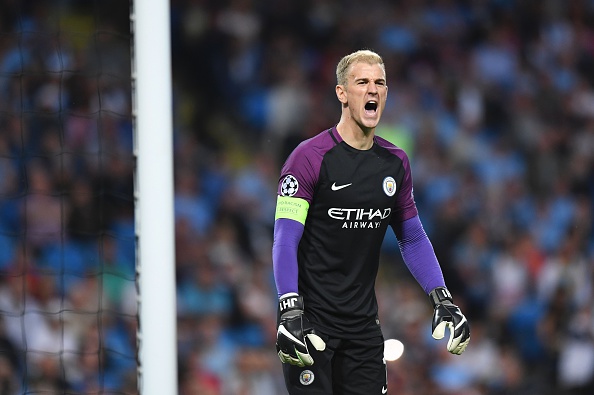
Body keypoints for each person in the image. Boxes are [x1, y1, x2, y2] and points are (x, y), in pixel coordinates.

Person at [272, 49, 470, 394]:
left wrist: (443, 298)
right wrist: (289, 308)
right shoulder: (308, 158)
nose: (372, 90)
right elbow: (285, 239)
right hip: (310, 324)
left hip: (363, 327)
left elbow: (412, 237)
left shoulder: (394, 162)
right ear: (342, 93)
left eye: (379, 83)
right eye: (362, 82)